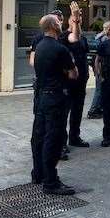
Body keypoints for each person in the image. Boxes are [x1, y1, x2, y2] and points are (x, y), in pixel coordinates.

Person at [31, 14, 78, 195]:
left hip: (41, 97)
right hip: (55, 98)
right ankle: (51, 182)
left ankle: (38, 174)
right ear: (52, 26)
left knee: (39, 137)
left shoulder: (40, 46)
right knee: (54, 140)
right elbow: (74, 74)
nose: (61, 23)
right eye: (58, 22)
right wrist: (69, 70)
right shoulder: (60, 49)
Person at [59, 2, 90, 148]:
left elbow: (85, 54)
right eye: (75, 19)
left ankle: (74, 137)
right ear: (69, 20)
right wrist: (76, 20)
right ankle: (62, 143)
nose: (78, 21)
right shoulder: (64, 36)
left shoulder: (83, 38)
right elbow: (74, 37)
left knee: (78, 110)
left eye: (79, 19)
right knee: (64, 112)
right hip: (68, 81)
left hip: (81, 81)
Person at [87, 21, 110, 119]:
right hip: (101, 67)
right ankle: (93, 110)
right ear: (109, 29)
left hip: (96, 67)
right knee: (99, 89)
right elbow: (101, 57)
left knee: (100, 89)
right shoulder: (105, 39)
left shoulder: (98, 36)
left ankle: (99, 109)